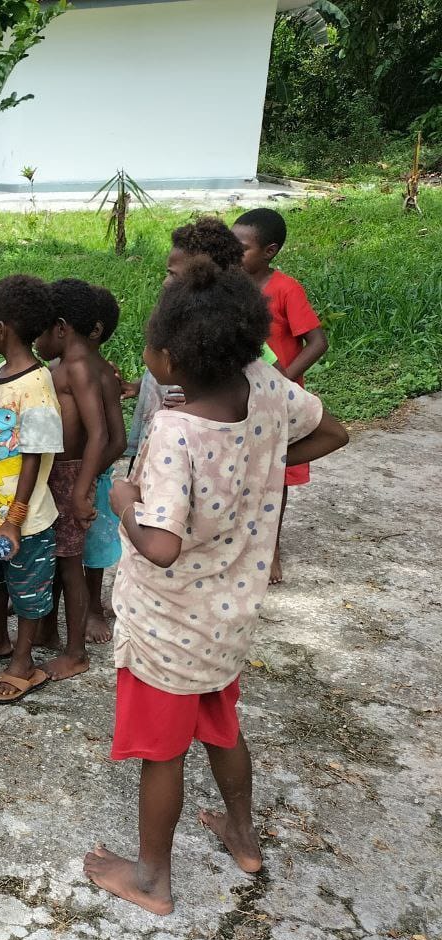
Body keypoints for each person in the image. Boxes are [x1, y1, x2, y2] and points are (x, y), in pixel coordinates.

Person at [83, 256, 348, 916]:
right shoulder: (263, 383)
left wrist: (120, 504)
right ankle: (243, 834)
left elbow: (164, 546)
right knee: (223, 726)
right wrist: (261, 465)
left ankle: (151, 879)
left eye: (149, 344)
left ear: (169, 359)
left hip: (168, 623)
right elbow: (333, 431)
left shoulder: (177, 431)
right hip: (229, 613)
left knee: (163, 751)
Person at [0, 275, 63, 706]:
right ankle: (1, 641)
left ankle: (24, 662)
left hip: (23, 521)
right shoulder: (1, 376)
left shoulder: (37, 386)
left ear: (2, 327)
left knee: (28, 589)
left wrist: (15, 519)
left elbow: (34, 455)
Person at [124, 217, 278, 460]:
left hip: (195, 454)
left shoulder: (230, 335)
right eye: (167, 273)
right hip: (157, 446)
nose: (166, 282)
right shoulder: (174, 319)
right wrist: (137, 386)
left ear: (207, 280)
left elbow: (274, 383)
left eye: (174, 275)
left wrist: (204, 397)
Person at [233, 207, 329, 585]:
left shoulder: (286, 289)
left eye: (242, 248)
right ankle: (238, 542)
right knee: (237, 468)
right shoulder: (229, 287)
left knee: (277, 474)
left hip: (278, 397)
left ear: (269, 251)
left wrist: (283, 381)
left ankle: (270, 548)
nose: (233, 254)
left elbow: (317, 341)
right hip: (237, 395)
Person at [31, 278, 110, 681]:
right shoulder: (72, 366)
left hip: (69, 476)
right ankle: (49, 629)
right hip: (58, 475)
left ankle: (76, 651)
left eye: (41, 331)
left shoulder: (76, 369)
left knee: (69, 565)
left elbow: (99, 433)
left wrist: (81, 489)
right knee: (57, 558)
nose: (37, 340)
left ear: (60, 327)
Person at [82, 285, 129, 645]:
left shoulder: (102, 376)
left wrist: (93, 472)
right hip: (59, 473)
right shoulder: (51, 371)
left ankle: (93, 607)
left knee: (94, 549)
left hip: (94, 475)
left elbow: (117, 439)